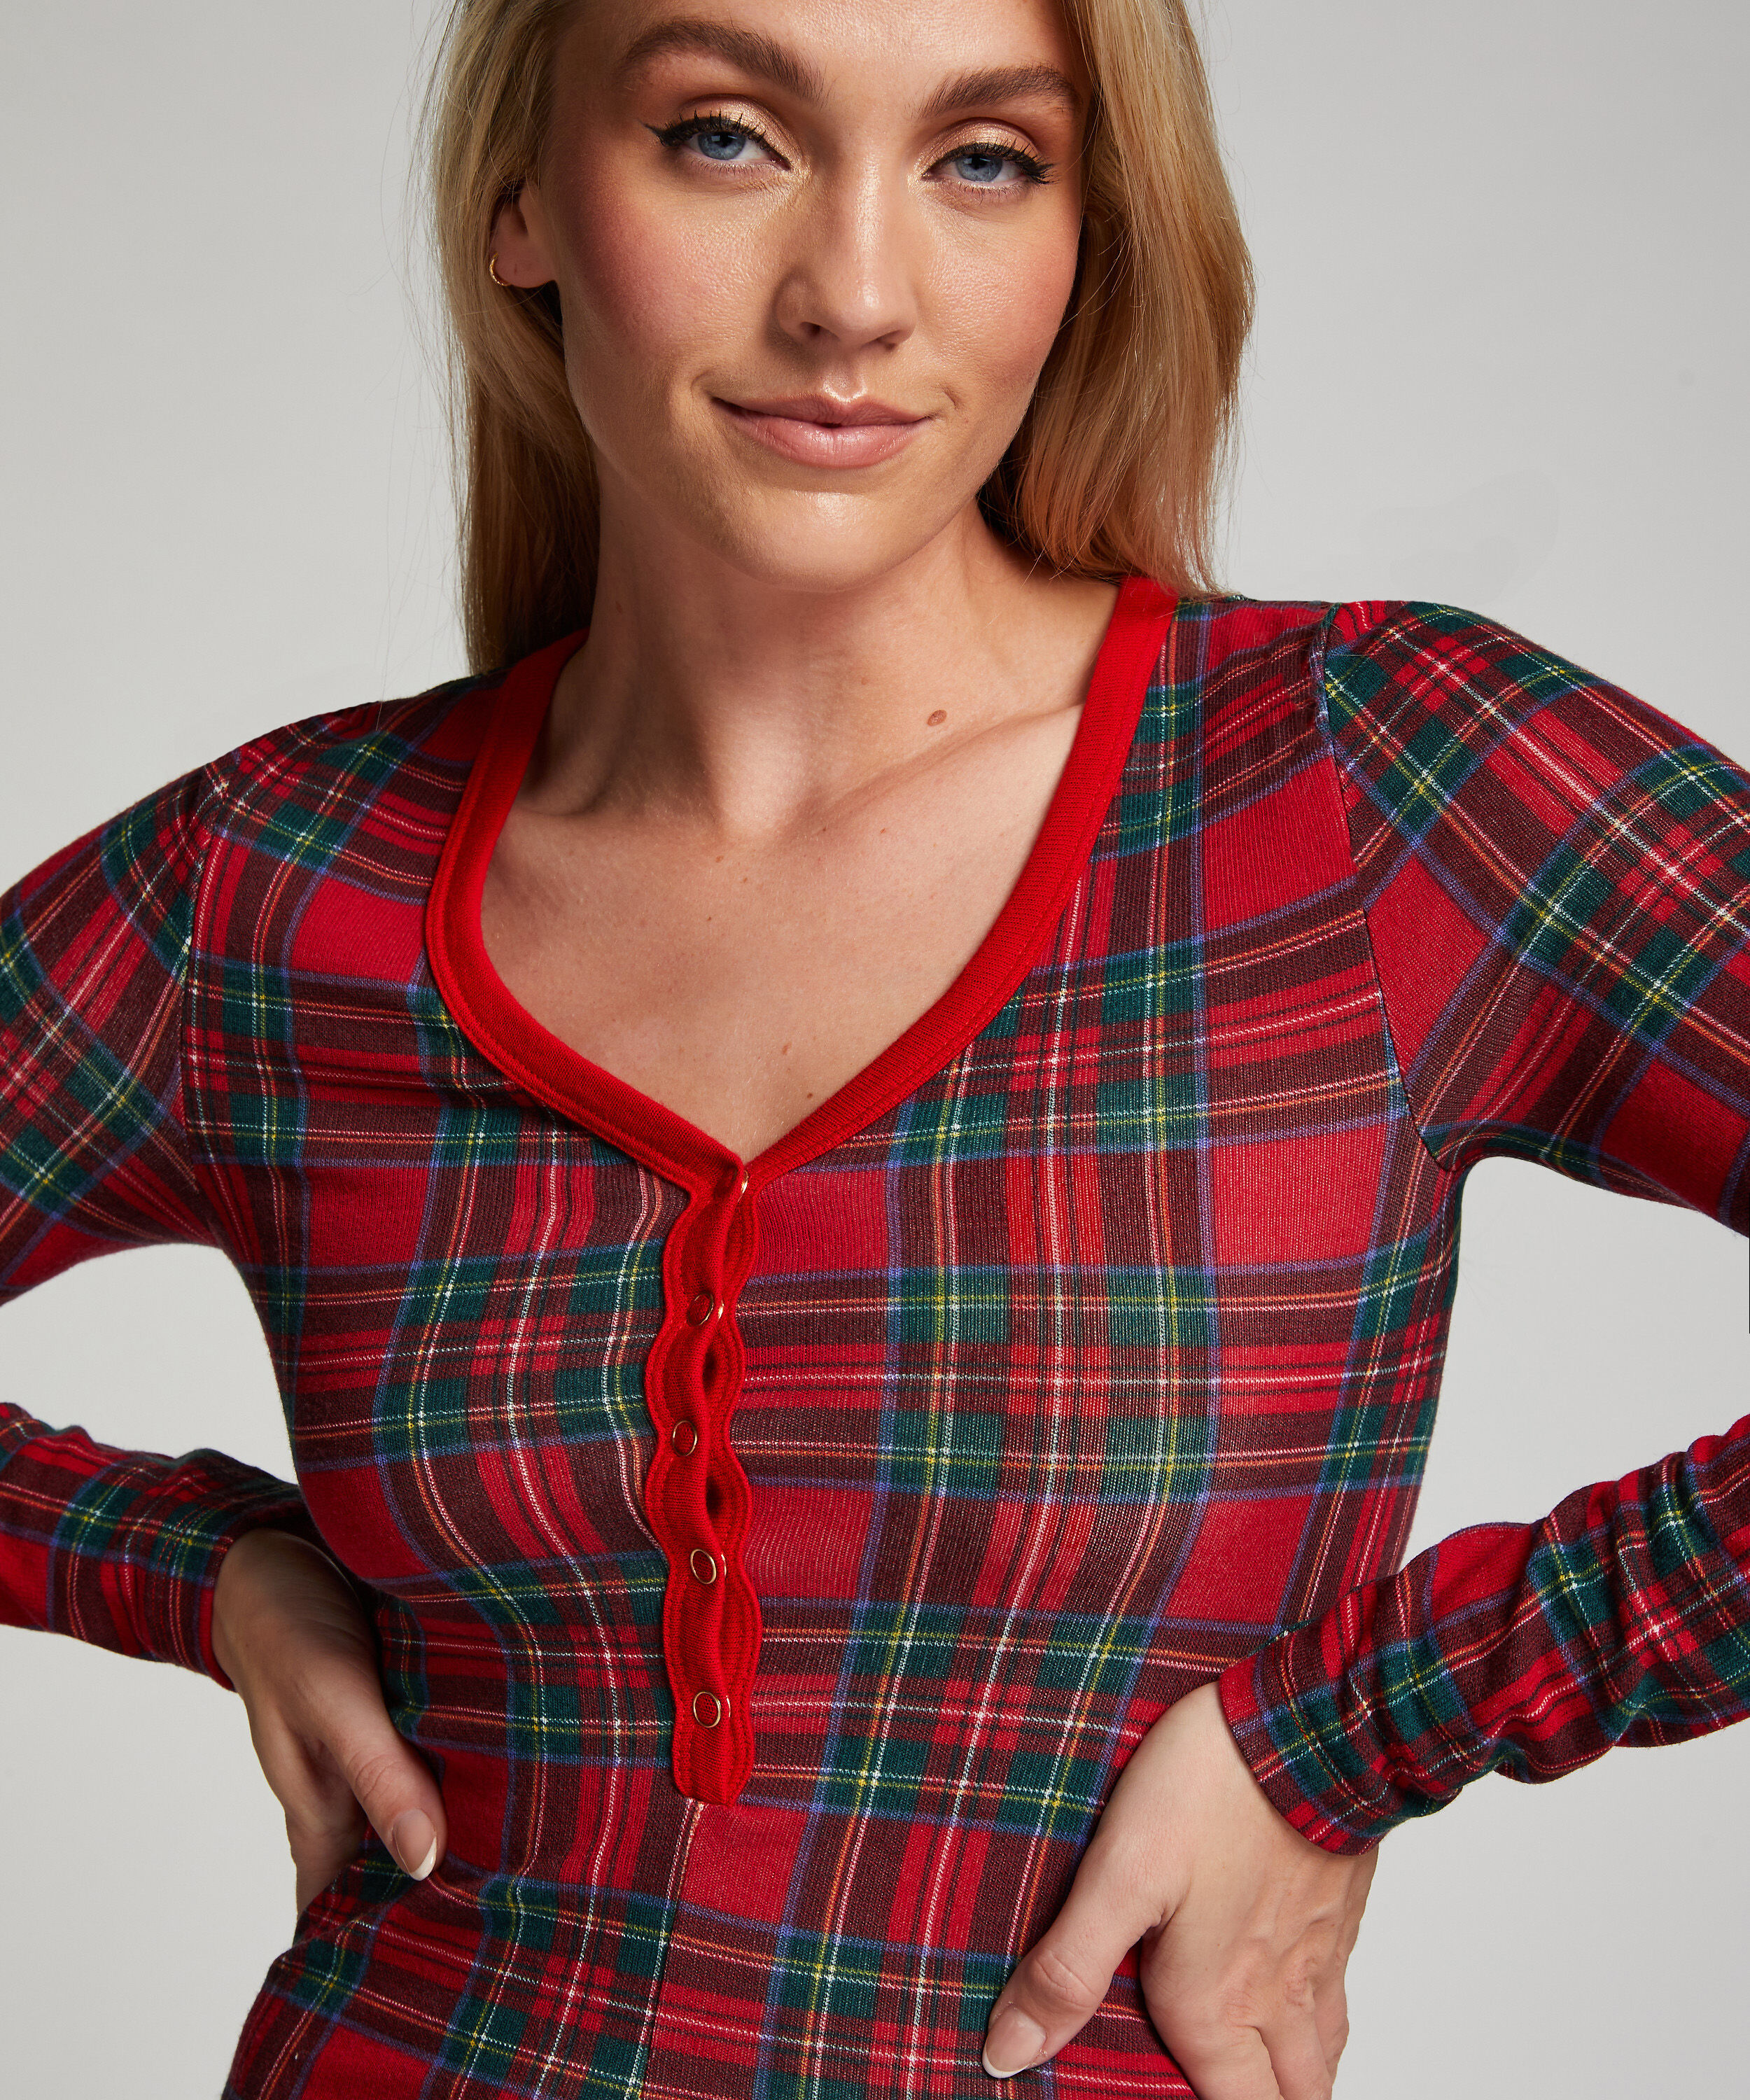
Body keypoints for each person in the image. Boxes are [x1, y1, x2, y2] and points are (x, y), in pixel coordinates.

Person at [1, 3, 1746, 2097]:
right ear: (521, 202)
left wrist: (1366, 1727)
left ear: (1093, 235)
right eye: (724, 137)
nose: (851, 297)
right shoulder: (272, 886)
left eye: (982, 160)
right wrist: (194, 1565)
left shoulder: (1370, 794)